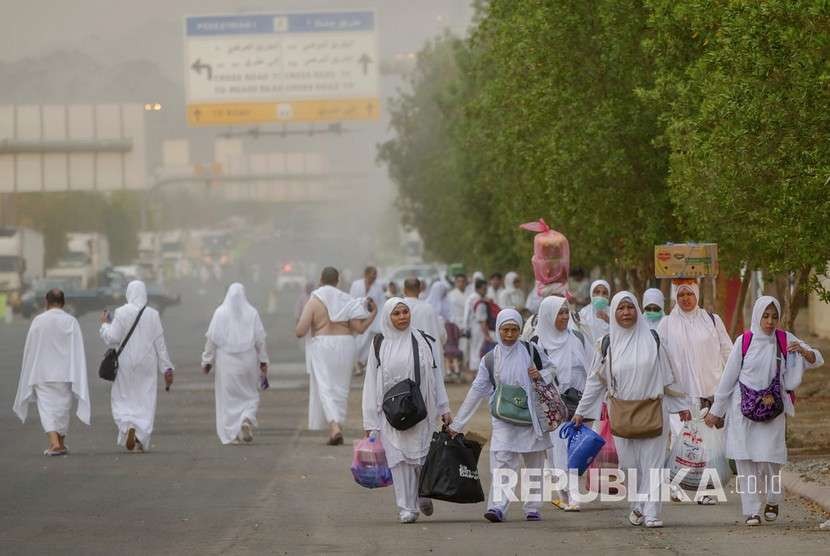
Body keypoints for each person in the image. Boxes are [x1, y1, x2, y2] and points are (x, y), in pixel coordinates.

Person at [572, 292, 690, 529]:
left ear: (637, 310)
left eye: (630, 307)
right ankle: (637, 504)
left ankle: (652, 512)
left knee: (653, 464)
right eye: (621, 308)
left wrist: (682, 407)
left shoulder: (654, 339)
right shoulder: (606, 344)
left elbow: (669, 377)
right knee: (629, 464)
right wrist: (581, 411)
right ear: (614, 313)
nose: (626, 313)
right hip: (622, 413)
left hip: (654, 410)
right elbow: (595, 382)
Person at [705, 296, 823, 526]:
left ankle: (772, 498)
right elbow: (729, 378)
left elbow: (815, 358)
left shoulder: (784, 339)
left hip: (772, 409)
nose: (769, 321)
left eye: (774, 317)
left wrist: (804, 352)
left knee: (771, 459)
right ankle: (751, 511)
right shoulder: (744, 341)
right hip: (743, 410)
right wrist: (716, 410)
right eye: (765, 316)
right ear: (757, 316)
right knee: (745, 460)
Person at [450, 308, 554, 522]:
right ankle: (498, 507)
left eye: (514, 329)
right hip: (503, 418)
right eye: (505, 330)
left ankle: (533, 507)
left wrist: (540, 374)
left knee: (534, 461)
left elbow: (552, 370)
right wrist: (458, 423)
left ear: (519, 330)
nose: (509, 334)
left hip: (531, 416)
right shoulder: (490, 359)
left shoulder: (531, 350)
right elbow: (477, 390)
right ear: (498, 330)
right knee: (502, 461)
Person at [362, 298, 452, 523]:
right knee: (398, 459)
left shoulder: (423, 341)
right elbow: (371, 382)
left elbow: (435, 375)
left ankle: (423, 492)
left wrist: (444, 407)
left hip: (422, 410)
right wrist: (370, 422)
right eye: (397, 313)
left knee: (421, 458)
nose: (402, 317)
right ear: (388, 317)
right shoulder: (379, 344)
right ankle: (407, 508)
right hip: (391, 413)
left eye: (405, 312)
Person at [296, 267, 378, 445]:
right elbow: (360, 328)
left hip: (323, 344)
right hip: (346, 343)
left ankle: (334, 427)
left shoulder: (315, 300)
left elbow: (300, 331)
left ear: (320, 279)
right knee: (341, 388)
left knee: (326, 386)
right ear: (338, 280)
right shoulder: (346, 299)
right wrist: (373, 314)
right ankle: (336, 423)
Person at [13, 289, 91, 456]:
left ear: (46, 302)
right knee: (63, 408)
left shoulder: (38, 321)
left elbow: (29, 348)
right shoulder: (71, 321)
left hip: (42, 372)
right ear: (63, 303)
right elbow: (78, 350)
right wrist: (78, 373)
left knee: (47, 409)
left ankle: (56, 444)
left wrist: (28, 369)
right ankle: (58, 443)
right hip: (65, 373)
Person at [100, 281, 174, 453]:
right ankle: (140, 435)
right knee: (145, 398)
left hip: (125, 362)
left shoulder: (121, 312)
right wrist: (167, 368)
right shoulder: (153, 314)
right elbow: (160, 344)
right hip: (147, 363)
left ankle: (128, 426)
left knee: (123, 396)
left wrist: (104, 324)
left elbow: (112, 337)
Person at [533, 296, 591, 511]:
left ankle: (572, 493)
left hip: (578, 404)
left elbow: (592, 369)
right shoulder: (537, 344)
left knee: (577, 449)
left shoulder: (577, 338)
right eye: (560, 313)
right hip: (552, 407)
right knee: (558, 451)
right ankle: (565, 493)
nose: (565, 317)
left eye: (566, 312)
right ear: (548, 316)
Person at [658, 280, 732, 438]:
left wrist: (732, 385)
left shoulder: (712, 320)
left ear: (697, 294)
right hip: (681, 400)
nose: (685, 298)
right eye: (681, 294)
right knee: (685, 448)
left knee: (712, 447)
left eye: (690, 293)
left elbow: (728, 353)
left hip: (711, 397)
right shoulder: (667, 324)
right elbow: (660, 360)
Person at [202, 283, 269, 445]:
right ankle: (246, 418)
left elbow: (211, 339)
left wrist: (207, 360)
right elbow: (260, 340)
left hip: (227, 362)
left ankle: (232, 432)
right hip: (248, 360)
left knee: (228, 398)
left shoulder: (220, 313)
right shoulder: (252, 312)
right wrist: (263, 360)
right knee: (250, 394)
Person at [350, 266, 386, 369]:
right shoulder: (356, 284)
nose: (374, 277)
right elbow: (352, 300)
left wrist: (381, 318)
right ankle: (354, 361)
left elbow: (381, 302)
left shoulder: (378, 286)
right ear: (365, 274)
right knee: (357, 340)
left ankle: (362, 362)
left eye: (375, 275)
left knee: (368, 341)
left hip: (372, 317)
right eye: (372, 275)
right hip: (357, 315)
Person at [574, 279, 612, 346]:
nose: (600, 296)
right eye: (597, 292)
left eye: (604, 293)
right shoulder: (584, 313)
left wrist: (609, 320)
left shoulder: (613, 313)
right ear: (591, 293)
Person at [467, 279, 492, 376]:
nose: (485, 290)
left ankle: (475, 373)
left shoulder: (475, 299)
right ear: (478, 289)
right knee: (479, 350)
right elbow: (482, 320)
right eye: (483, 289)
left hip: (474, 327)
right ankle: (478, 374)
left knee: (474, 350)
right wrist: (486, 334)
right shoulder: (480, 302)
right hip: (479, 329)